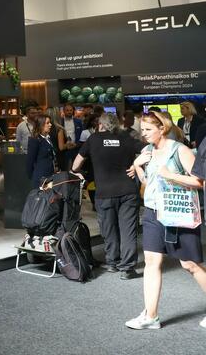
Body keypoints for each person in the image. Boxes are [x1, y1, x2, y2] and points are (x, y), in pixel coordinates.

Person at [126, 111, 206, 330]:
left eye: (148, 129)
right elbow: (147, 182)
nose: (144, 134)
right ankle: (150, 316)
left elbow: (199, 182)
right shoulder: (147, 151)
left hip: (177, 213)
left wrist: (170, 175)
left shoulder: (179, 150)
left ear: (162, 128)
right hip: (153, 212)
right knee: (152, 261)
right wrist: (138, 165)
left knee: (189, 264)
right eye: (142, 130)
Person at [72, 113, 141, 279]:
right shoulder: (127, 138)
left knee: (109, 229)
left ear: (100, 125)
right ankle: (127, 268)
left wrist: (76, 172)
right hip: (128, 191)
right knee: (128, 230)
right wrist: (137, 166)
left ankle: (112, 262)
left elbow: (76, 164)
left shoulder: (93, 139)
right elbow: (149, 150)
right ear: (116, 125)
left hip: (104, 193)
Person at [26, 115, 57, 189]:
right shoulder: (35, 140)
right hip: (40, 177)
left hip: (50, 175)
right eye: (47, 123)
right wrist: (33, 177)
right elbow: (30, 161)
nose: (50, 125)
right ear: (41, 125)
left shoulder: (48, 138)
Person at [44, 106, 66, 172]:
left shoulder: (43, 128)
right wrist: (67, 145)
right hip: (57, 158)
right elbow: (61, 147)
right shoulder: (58, 129)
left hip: (46, 157)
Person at [61, 103, 83, 170]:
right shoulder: (60, 122)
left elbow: (82, 136)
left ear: (73, 111)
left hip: (76, 148)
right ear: (64, 111)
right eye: (67, 110)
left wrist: (76, 145)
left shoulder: (78, 122)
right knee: (65, 169)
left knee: (76, 169)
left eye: (71, 110)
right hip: (64, 150)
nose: (69, 112)